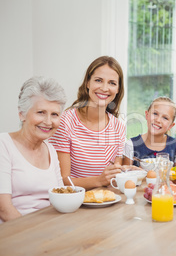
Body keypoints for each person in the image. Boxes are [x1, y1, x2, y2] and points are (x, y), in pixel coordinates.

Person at [49, 56, 129, 190]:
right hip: (74, 201)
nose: (104, 88)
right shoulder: (65, 122)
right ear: (87, 83)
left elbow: (113, 177)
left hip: (106, 200)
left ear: (118, 89)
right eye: (98, 80)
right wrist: (99, 180)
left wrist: (125, 172)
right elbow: (62, 181)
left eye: (112, 83)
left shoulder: (118, 127)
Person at [0, 76, 66, 223]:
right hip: (15, 232)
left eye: (54, 114)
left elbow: (60, 197)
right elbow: (4, 210)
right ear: (22, 114)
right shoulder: (3, 144)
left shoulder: (50, 150)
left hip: (48, 228)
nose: (48, 122)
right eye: (41, 112)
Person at [122, 97, 176, 166]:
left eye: (165, 118)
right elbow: (126, 172)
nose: (158, 120)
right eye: (155, 114)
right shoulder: (131, 145)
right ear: (147, 115)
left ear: (171, 126)